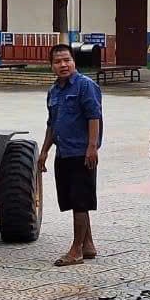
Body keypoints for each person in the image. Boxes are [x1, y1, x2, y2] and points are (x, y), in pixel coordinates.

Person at [37, 43, 102, 266]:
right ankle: (89, 244)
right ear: (51, 66)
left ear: (74, 61)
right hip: (63, 153)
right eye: (58, 61)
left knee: (80, 201)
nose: (63, 65)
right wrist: (45, 151)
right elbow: (52, 124)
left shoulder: (85, 86)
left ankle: (76, 250)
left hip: (81, 153)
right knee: (75, 200)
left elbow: (94, 117)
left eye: (67, 60)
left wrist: (92, 147)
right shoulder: (54, 91)